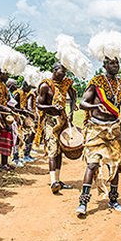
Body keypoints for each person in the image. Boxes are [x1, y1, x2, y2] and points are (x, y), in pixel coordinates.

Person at [77, 57, 121, 216]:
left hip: (114, 129)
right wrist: (96, 105)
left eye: (117, 63)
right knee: (92, 164)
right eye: (112, 63)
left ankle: (114, 199)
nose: (116, 66)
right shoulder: (97, 82)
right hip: (96, 129)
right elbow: (83, 104)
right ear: (104, 65)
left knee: (115, 166)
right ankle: (83, 202)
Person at [35, 63, 77, 194]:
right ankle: (53, 181)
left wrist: (71, 111)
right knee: (53, 149)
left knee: (60, 151)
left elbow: (73, 94)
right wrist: (52, 108)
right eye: (61, 71)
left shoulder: (65, 84)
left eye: (65, 72)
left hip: (63, 120)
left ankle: (58, 180)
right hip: (50, 122)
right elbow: (39, 105)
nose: (64, 74)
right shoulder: (45, 86)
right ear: (54, 70)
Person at [13, 80, 37, 163]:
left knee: (29, 134)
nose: (30, 89)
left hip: (22, 117)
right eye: (29, 87)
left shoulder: (24, 93)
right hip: (16, 117)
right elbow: (13, 107)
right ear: (25, 86)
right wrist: (25, 112)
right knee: (17, 137)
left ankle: (26, 154)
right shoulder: (18, 94)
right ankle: (15, 158)